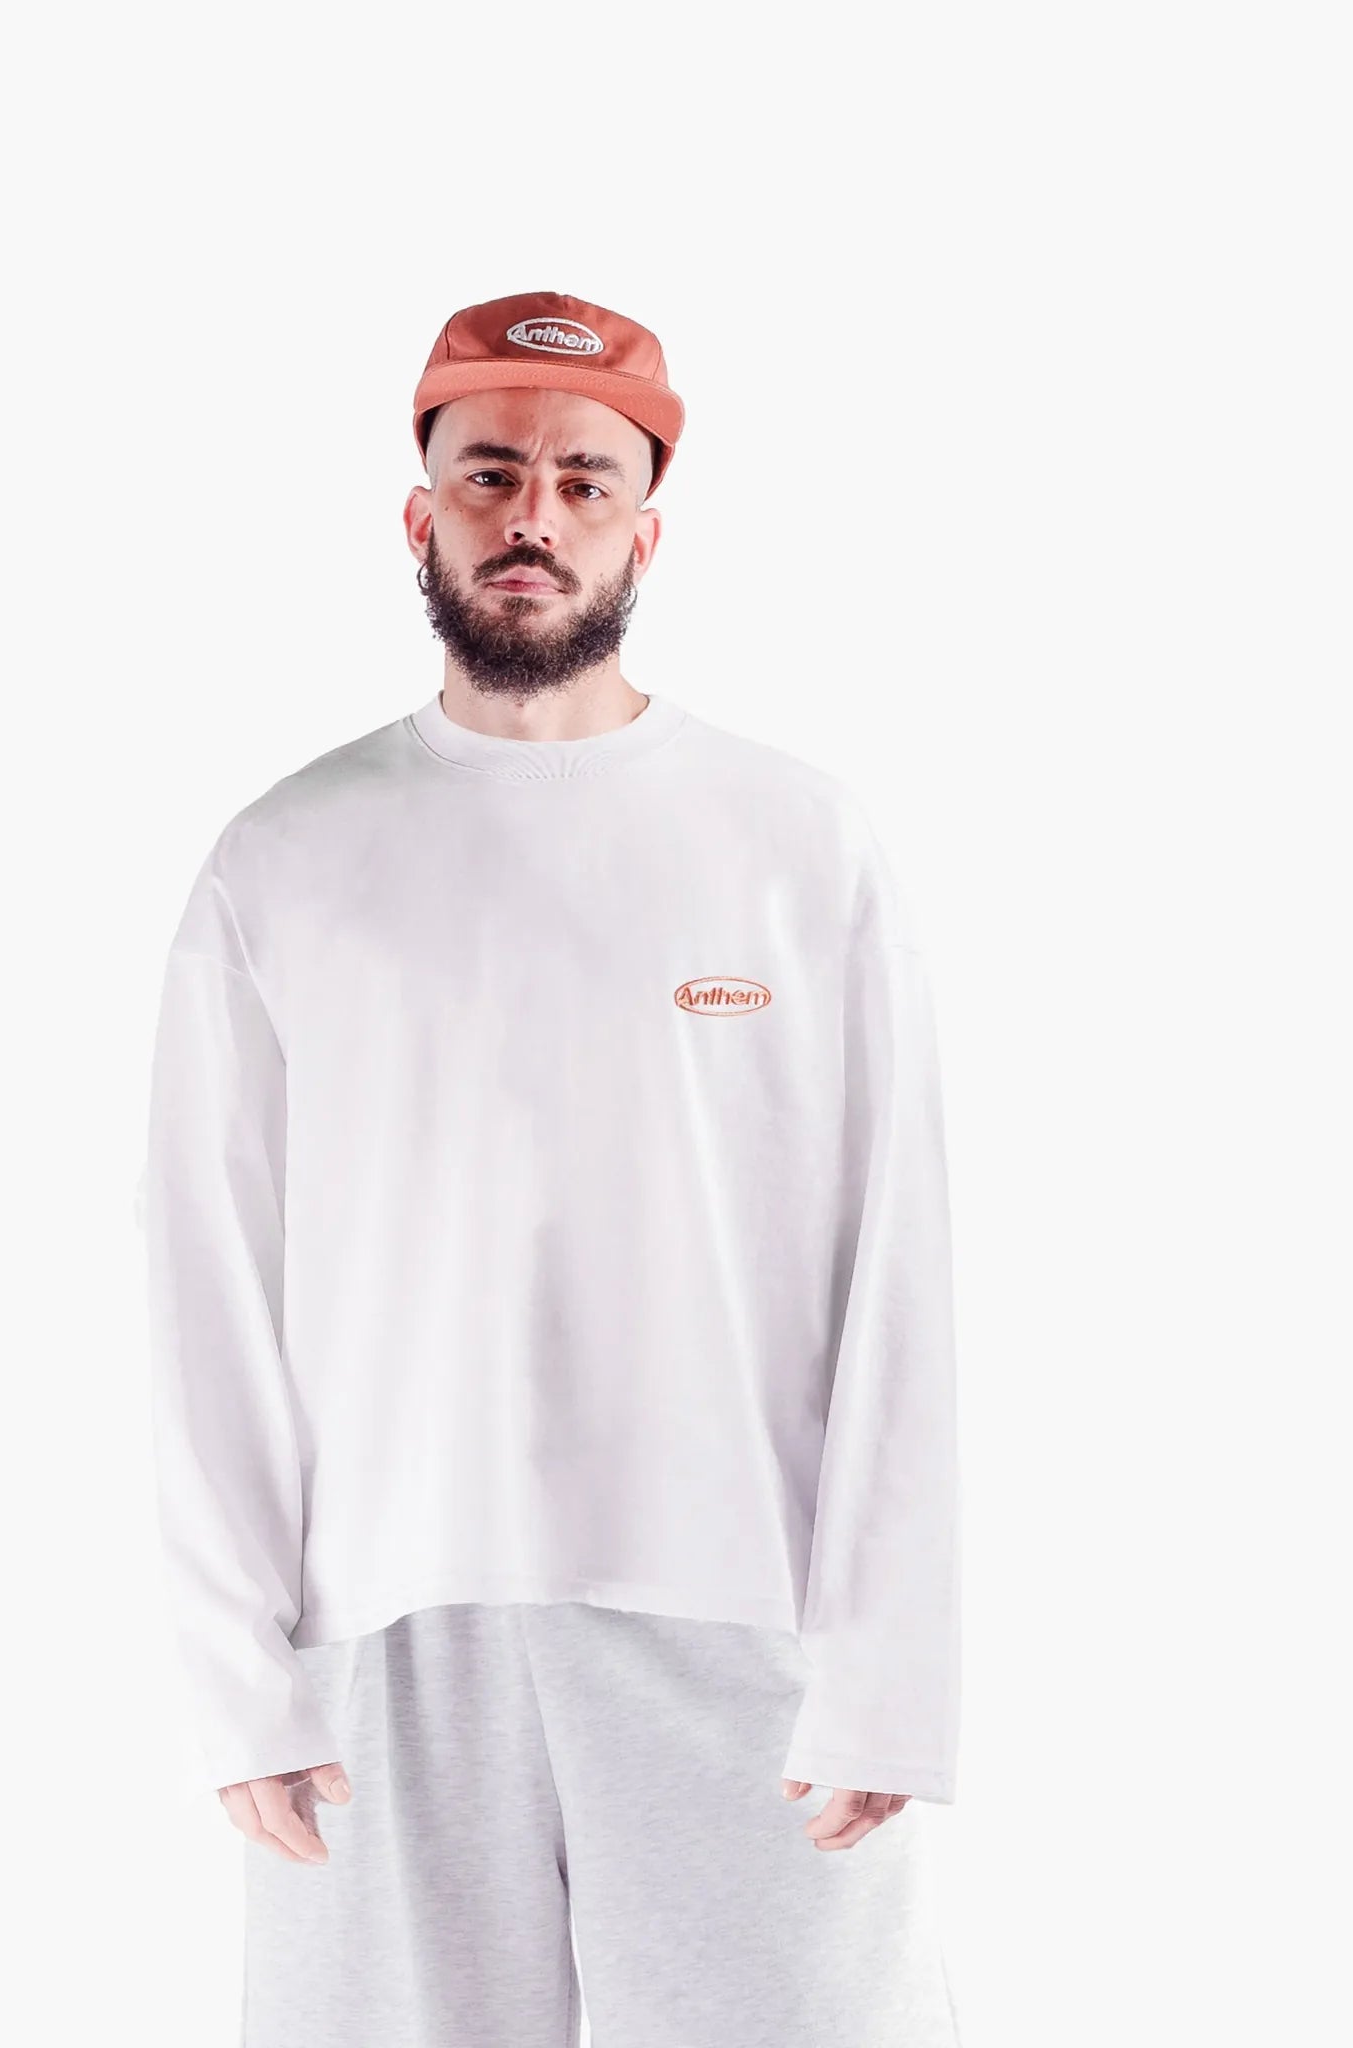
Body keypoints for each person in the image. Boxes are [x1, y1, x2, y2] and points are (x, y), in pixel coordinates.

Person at [140, 289, 963, 2046]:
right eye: (491, 472)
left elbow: (897, 1265)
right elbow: (206, 1291)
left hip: (748, 1626)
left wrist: (890, 1671)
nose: (535, 514)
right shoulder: (285, 858)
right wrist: (236, 1680)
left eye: (586, 480)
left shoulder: (795, 843)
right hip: (380, 1635)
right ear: (419, 513)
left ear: (644, 532)